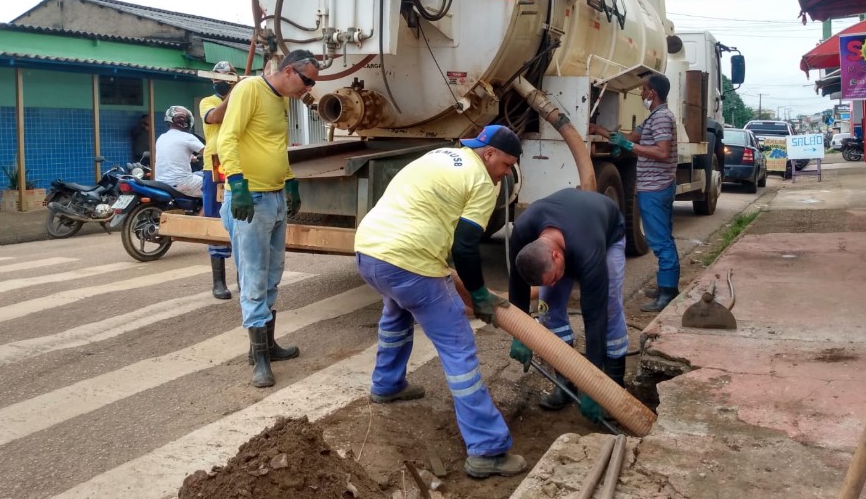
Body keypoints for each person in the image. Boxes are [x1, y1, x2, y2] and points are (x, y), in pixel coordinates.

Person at [354, 124, 528, 480]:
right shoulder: (481, 181)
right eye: (507, 164)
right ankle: (487, 449)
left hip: (368, 251)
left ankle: (387, 384)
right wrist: (478, 295)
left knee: (396, 310)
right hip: (409, 261)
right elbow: (465, 245)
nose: (506, 173)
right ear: (489, 153)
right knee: (459, 348)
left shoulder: (439, 155)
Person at [218, 50, 317, 388]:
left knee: (273, 274)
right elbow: (227, 137)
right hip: (251, 198)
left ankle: (267, 346)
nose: (308, 88)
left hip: (273, 198)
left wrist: (289, 181)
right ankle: (258, 358)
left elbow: (275, 146)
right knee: (254, 277)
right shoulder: (249, 90)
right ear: (289, 71)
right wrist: (236, 182)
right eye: (306, 81)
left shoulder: (282, 100)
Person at [506, 188, 627, 423]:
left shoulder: (589, 250)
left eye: (552, 277)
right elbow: (517, 285)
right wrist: (518, 333)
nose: (554, 283)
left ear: (555, 256)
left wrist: (594, 388)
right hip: (570, 228)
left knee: (610, 309)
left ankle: (614, 386)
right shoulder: (522, 231)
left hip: (607, 234)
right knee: (547, 307)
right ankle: (565, 383)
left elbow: (595, 317)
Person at [590, 72, 679, 312]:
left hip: (656, 186)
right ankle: (665, 286)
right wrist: (600, 130)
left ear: (654, 93)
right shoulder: (654, 117)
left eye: (644, 90)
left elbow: (661, 152)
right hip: (656, 185)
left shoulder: (661, 119)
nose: (641, 93)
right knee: (661, 237)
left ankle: (668, 292)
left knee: (660, 241)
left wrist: (631, 147)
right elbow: (630, 137)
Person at [198, 61, 237, 301]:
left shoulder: (241, 98)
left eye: (228, 77)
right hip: (214, 166)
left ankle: (244, 277)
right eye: (219, 77)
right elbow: (215, 117)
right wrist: (235, 94)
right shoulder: (208, 102)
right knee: (214, 220)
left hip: (239, 163)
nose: (223, 81)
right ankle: (219, 281)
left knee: (242, 221)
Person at [155, 106, 204, 198]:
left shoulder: (161, 137)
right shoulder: (187, 137)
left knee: (198, 174)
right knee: (214, 187)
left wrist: (191, 158)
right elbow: (209, 154)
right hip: (181, 182)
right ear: (186, 122)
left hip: (161, 182)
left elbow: (174, 155)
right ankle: (203, 213)